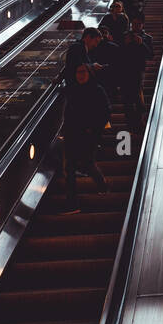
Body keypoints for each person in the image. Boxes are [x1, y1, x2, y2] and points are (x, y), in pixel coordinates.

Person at [61, 63, 110, 213]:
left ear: (89, 73)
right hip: (72, 135)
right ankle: (72, 204)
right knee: (69, 168)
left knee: (88, 164)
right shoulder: (73, 90)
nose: (80, 75)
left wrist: (93, 130)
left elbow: (106, 112)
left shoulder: (97, 90)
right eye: (78, 72)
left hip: (89, 136)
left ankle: (102, 186)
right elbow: (69, 113)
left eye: (83, 72)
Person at [119, 30, 152, 133]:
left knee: (137, 99)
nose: (128, 40)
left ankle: (138, 122)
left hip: (136, 75)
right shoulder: (121, 47)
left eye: (130, 37)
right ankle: (132, 125)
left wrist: (141, 44)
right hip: (125, 77)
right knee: (128, 101)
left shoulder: (138, 46)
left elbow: (150, 55)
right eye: (127, 38)